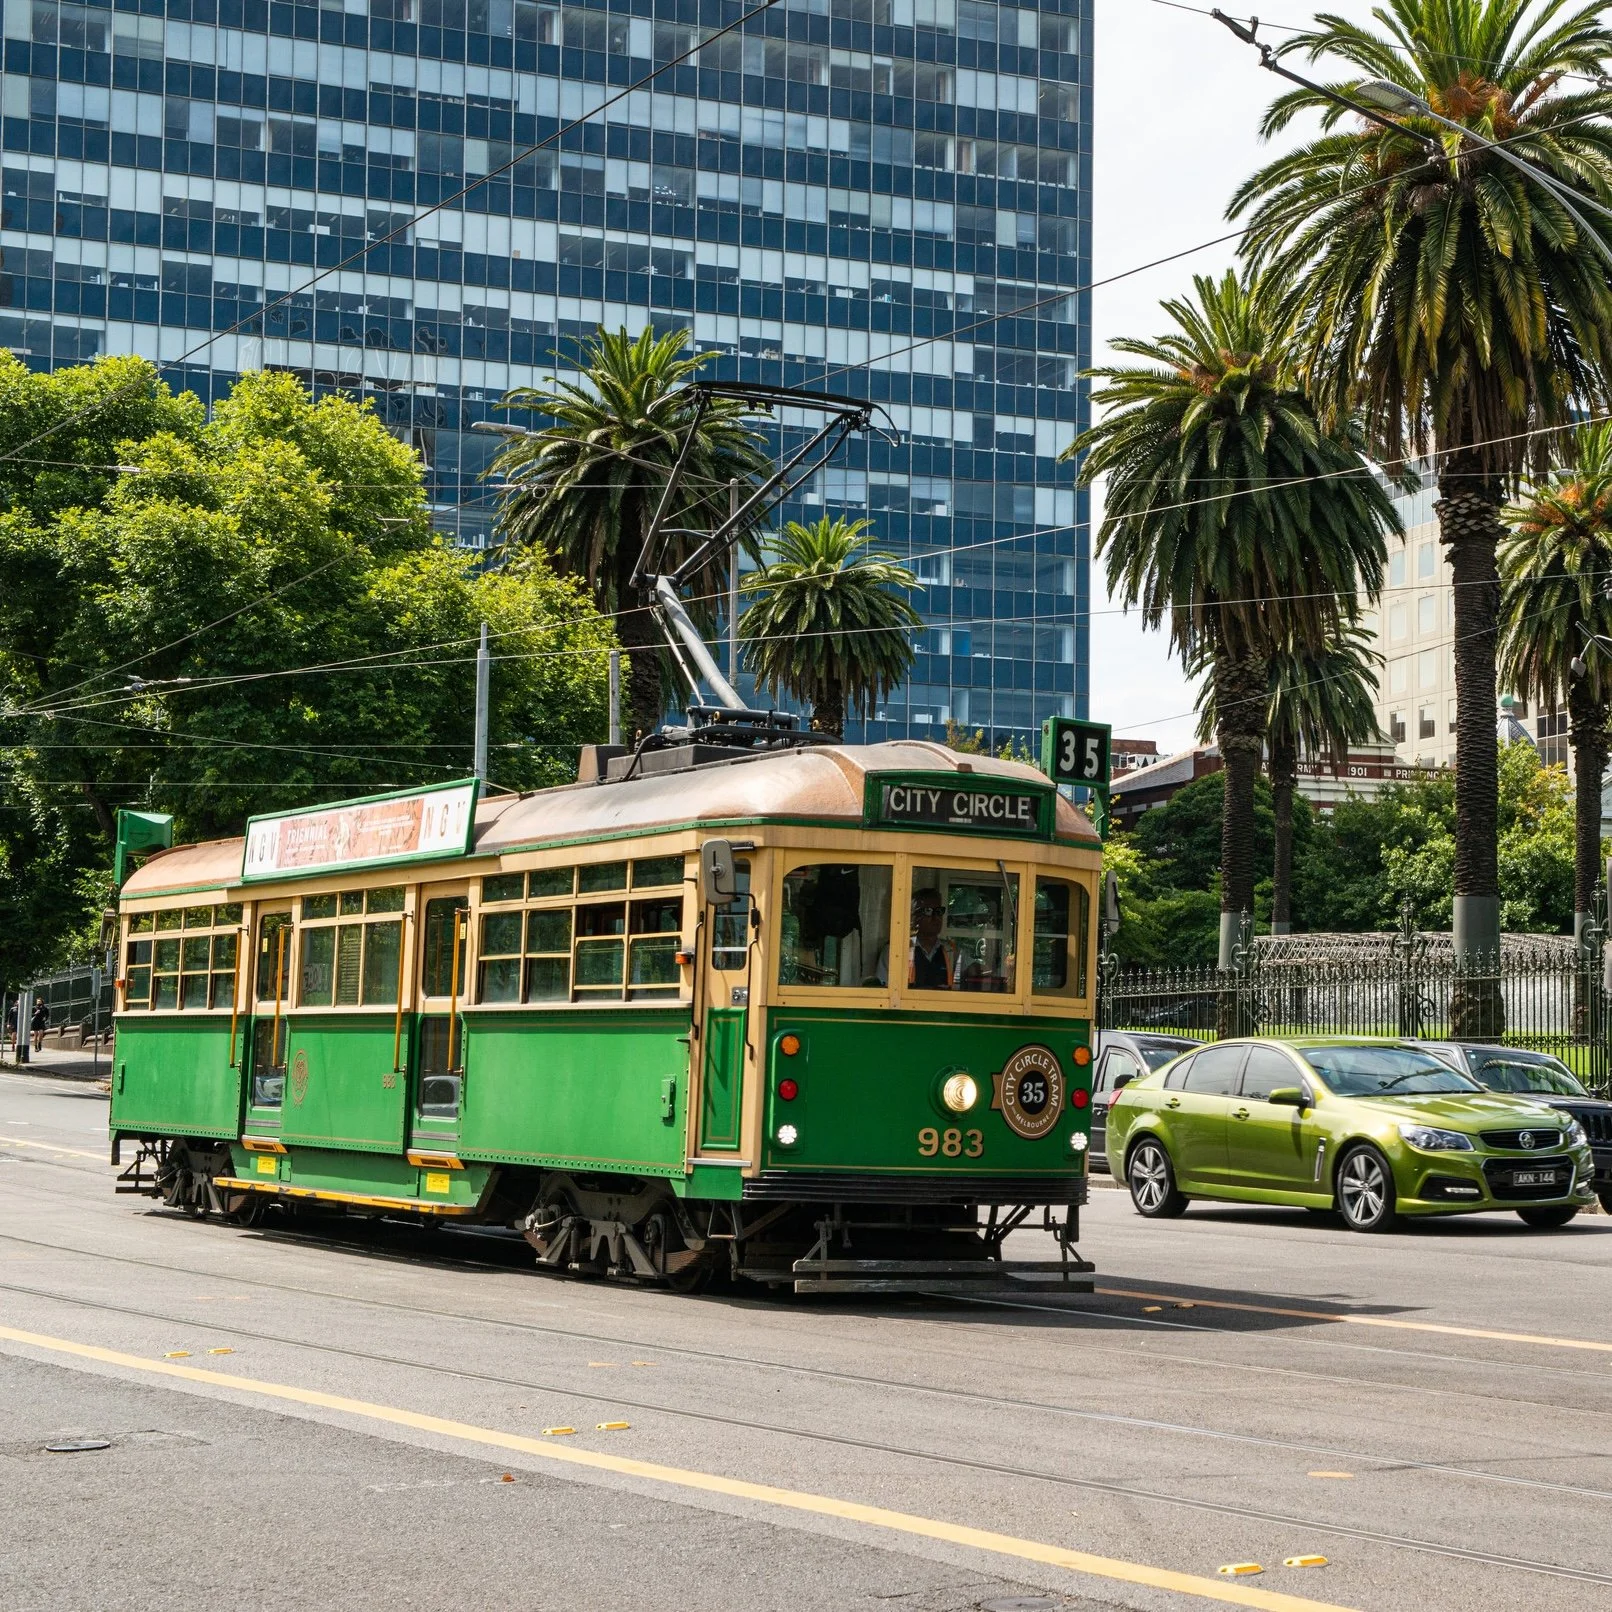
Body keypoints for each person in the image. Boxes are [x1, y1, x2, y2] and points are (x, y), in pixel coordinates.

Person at [877, 887, 961, 989]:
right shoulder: (896, 951)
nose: (936, 917)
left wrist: (976, 968)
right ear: (914, 916)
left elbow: (975, 973)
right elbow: (884, 991)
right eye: (928, 911)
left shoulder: (951, 950)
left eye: (939, 911)